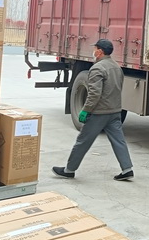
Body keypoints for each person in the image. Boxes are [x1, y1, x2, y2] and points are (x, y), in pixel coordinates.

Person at [52, 39, 134, 181]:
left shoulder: (97, 68)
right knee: (119, 141)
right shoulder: (117, 67)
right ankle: (127, 169)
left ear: (100, 51)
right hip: (114, 111)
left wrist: (86, 110)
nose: (93, 51)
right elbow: (118, 88)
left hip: (99, 113)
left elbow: (94, 94)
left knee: (83, 141)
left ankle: (69, 170)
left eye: (95, 48)